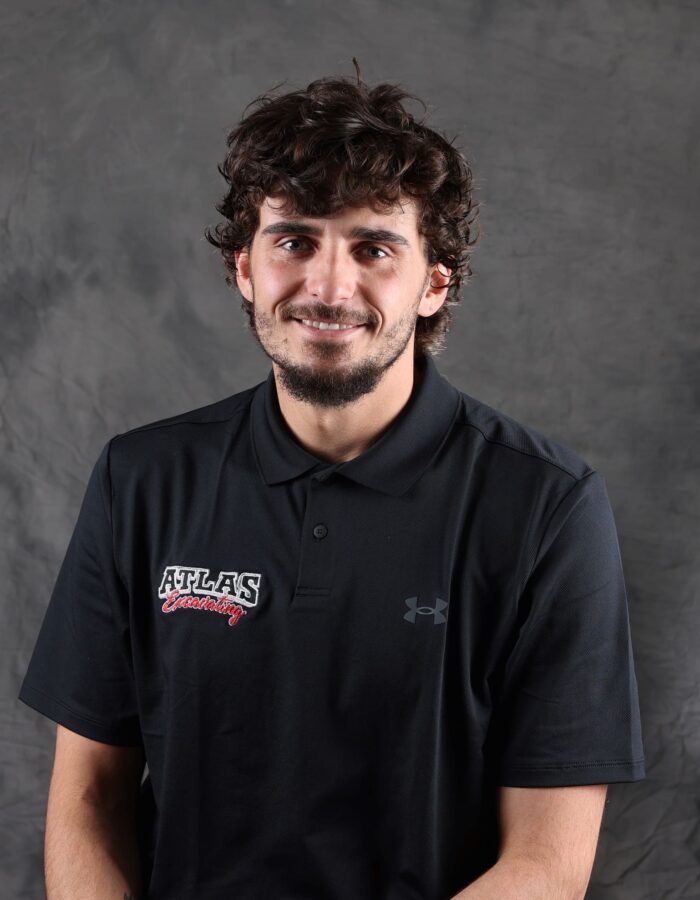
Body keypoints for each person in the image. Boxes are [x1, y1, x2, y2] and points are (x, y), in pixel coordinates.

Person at [18, 61, 645, 900]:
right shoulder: (144, 478)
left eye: (374, 248)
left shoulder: (546, 507)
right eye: (295, 239)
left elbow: (545, 864)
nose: (328, 285)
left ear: (434, 283)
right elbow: (88, 798)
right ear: (245, 268)